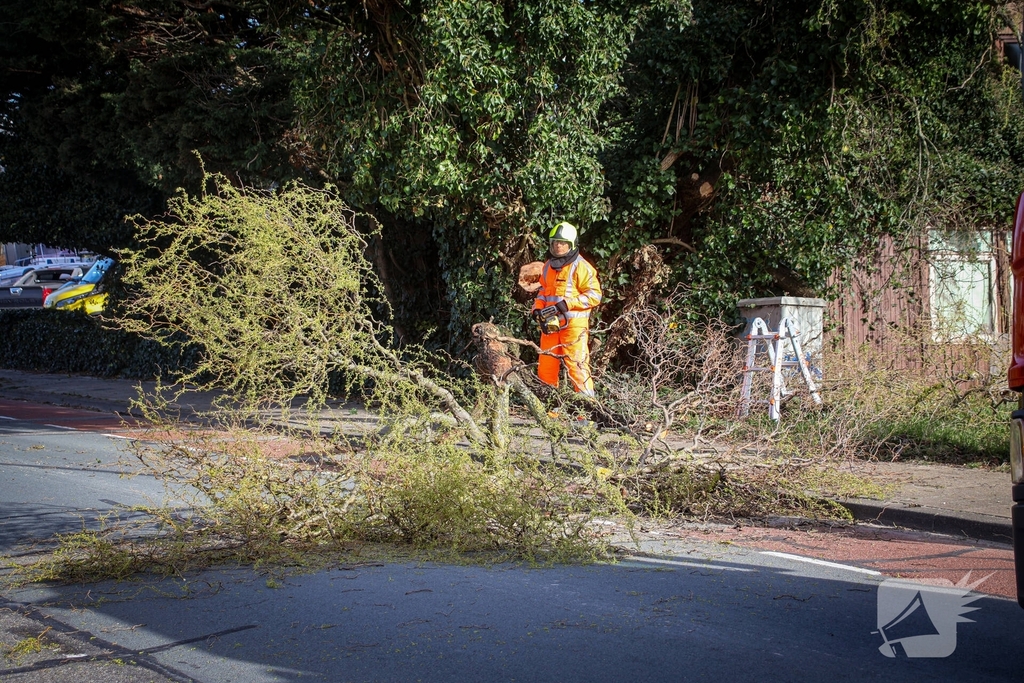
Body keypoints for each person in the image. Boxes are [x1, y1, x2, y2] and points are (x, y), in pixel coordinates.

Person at [531, 221, 602, 396]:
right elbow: (542, 292)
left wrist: (567, 304)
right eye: (555, 242)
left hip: (574, 327)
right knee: (546, 367)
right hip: (551, 325)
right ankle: (549, 413)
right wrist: (537, 309)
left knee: (577, 367)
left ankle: (586, 414)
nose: (558, 246)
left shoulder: (581, 266)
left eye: (562, 243)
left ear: (571, 244)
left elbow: (595, 295)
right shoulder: (548, 266)